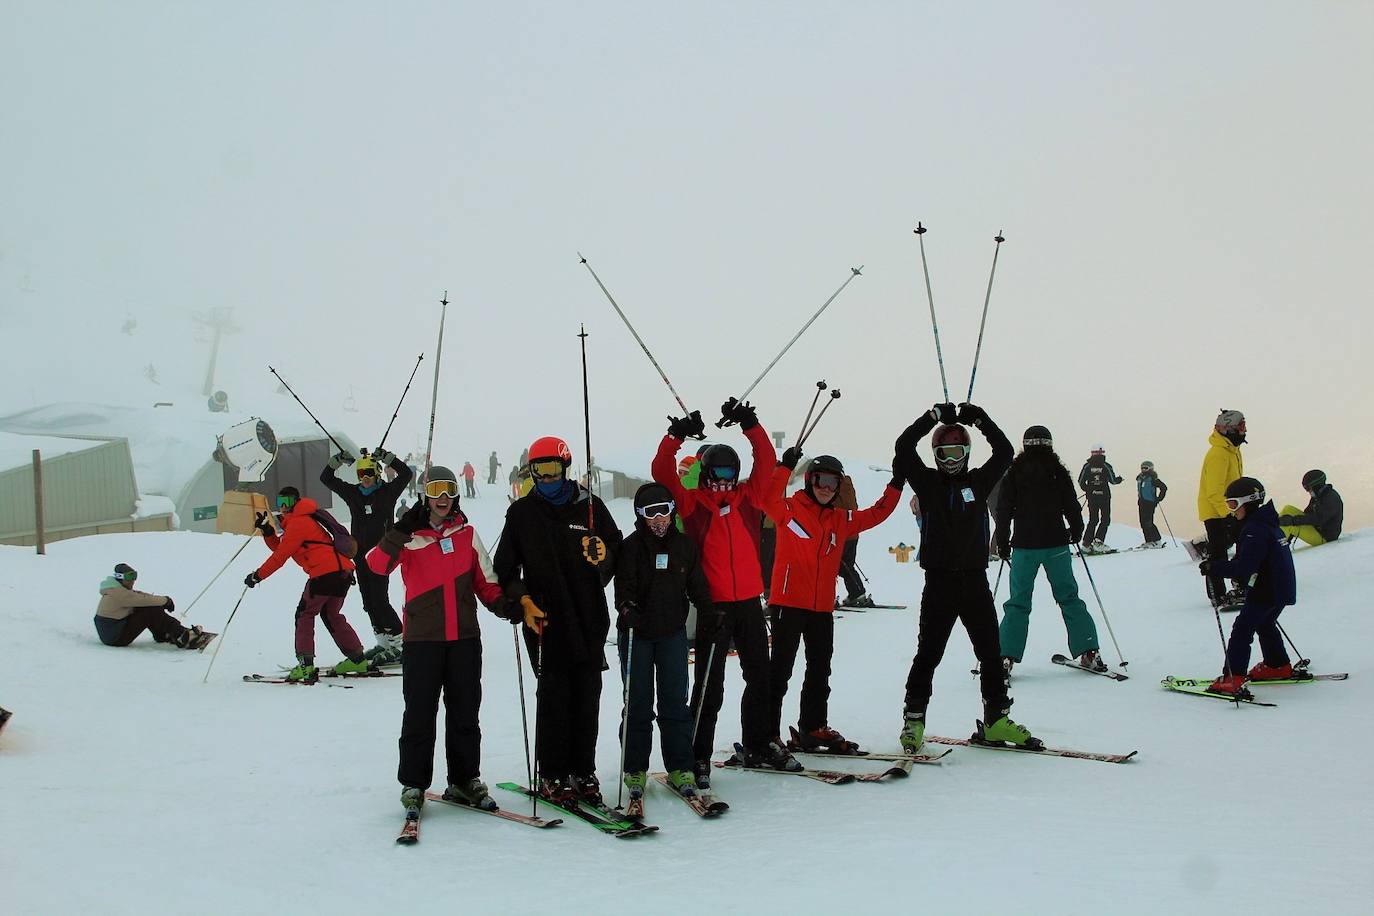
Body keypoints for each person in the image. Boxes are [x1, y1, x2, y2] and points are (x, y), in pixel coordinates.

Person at [651, 398, 800, 781]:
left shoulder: (749, 499)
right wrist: (676, 436)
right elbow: (661, 472)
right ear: (704, 473)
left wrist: (750, 423)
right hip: (714, 606)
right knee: (709, 685)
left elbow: (765, 459)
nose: (722, 479)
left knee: (760, 677)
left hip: (750, 602)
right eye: (715, 471)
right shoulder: (691, 504)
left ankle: (759, 741)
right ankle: (697, 754)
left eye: (728, 472)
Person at [892, 402, 1041, 752]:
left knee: (991, 653)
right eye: (944, 452)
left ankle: (996, 721)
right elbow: (903, 447)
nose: (951, 458)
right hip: (939, 582)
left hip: (975, 581)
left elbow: (1004, 451)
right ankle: (914, 720)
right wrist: (932, 418)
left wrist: (979, 418)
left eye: (958, 450)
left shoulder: (980, 479)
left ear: (968, 452)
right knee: (928, 654)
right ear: (936, 453)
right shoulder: (926, 483)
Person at [366, 465, 507, 816]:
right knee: (419, 713)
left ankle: (464, 779)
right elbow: (376, 565)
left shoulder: (467, 534)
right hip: (422, 640)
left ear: (456, 494)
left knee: (464, 712)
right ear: (425, 495)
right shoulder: (410, 536)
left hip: (463, 638)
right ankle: (413, 783)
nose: (442, 498)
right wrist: (399, 531)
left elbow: (485, 580)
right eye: (435, 491)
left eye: (448, 490)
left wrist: (503, 603)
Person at [493, 436, 622, 804]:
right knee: (553, 698)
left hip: (588, 618)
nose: (547, 478)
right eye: (539, 471)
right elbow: (504, 568)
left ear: (566, 468)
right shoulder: (522, 513)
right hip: (545, 621)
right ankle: (552, 774)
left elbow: (615, 551)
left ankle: (583, 770)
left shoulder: (590, 506)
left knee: (587, 698)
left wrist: (603, 556)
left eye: (552, 470)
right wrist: (522, 598)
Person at [763, 450, 901, 751]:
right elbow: (766, 499)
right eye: (822, 480)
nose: (827, 488)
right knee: (780, 670)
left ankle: (813, 727)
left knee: (819, 670)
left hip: (822, 607)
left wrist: (896, 485)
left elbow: (876, 513)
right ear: (811, 480)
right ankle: (767, 733)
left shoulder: (840, 519)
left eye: (833, 483)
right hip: (788, 603)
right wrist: (784, 467)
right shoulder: (789, 509)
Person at [613, 483, 710, 801]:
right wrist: (628, 610)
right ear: (640, 516)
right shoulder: (630, 548)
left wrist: (713, 613)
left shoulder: (684, 546)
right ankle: (635, 768)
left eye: (664, 512)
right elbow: (622, 590)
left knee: (674, 704)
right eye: (650, 514)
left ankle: (681, 766)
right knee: (638, 704)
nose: (658, 520)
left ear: (672, 512)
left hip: (672, 634)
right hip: (637, 635)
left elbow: (697, 586)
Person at [994, 426, 1103, 674]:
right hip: (1056, 545)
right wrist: (1076, 530)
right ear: (1049, 445)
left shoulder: (1015, 473)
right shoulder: (1058, 471)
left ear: (1026, 445)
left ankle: (1005, 657)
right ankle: (1089, 651)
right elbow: (1071, 505)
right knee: (1068, 597)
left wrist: (1002, 541)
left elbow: (1003, 510)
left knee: (1018, 603)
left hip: (1024, 546)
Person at [244, 486, 373, 682]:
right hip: (343, 573)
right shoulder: (303, 520)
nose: (283, 507)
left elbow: (280, 557)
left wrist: (257, 576)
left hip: (324, 574)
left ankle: (305, 665)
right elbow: (284, 547)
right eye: (280, 503)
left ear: (296, 502)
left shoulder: (299, 522)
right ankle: (357, 659)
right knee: (331, 614)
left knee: (304, 614)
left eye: (287, 502)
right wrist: (269, 532)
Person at [1198, 477, 1297, 696]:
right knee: (1264, 623)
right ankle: (1277, 665)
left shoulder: (1255, 529)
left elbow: (1244, 567)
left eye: (1233, 504)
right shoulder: (1265, 523)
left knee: (1242, 630)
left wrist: (1214, 567)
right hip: (1280, 587)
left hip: (1266, 589)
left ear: (1248, 502)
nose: (1231, 510)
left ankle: (1232, 678)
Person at [320, 448, 413, 665]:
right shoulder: (353, 494)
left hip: (382, 554)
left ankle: (401, 643)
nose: (366, 479)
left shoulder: (387, 493)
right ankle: (384, 641)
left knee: (380, 599)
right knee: (368, 601)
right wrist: (338, 461)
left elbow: (406, 474)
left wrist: (388, 458)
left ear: (378, 473)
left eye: (370, 473)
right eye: (361, 475)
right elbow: (326, 478)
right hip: (360, 555)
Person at [94, 563, 211, 649]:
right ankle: (183, 637)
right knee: (149, 611)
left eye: (134, 576)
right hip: (115, 637)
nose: (133, 581)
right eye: (129, 577)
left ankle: (163, 635)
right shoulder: (119, 594)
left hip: (113, 632)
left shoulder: (117, 590)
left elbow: (140, 596)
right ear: (120, 578)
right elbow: (141, 600)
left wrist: (163, 601)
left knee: (150, 607)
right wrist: (166, 601)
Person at [1198, 409, 1247, 608]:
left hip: (1230, 509)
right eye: (1241, 427)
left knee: (1240, 546)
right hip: (1217, 512)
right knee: (1218, 552)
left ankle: (1239, 581)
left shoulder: (1231, 450)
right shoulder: (1219, 454)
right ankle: (1217, 594)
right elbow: (1214, 491)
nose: (1244, 431)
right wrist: (1229, 515)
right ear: (1228, 429)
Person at [833, 471, 878, 608]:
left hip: (840, 533)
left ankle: (854, 593)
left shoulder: (835, 486)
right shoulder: (848, 487)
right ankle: (856, 593)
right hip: (852, 532)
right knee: (846, 565)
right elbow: (854, 507)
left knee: (836, 565)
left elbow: (832, 508)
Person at [1278, 470, 1343, 546]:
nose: (1308, 491)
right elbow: (1307, 513)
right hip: (1316, 528)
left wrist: (1292, 521)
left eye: (1308, 488)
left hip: (1324, 537)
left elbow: (1318, 519)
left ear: (1316, 486)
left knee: (1289, 526)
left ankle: (1277, 548)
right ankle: (1274, 537)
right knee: (1287, 509)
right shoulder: (1319, 495)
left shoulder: (1331, 498)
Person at [1077, 445, 1122, 552]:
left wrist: (1088, 490)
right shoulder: (1106, 466)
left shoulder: (1087, 466)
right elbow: (1112, 480)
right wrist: (1119, 479)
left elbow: (1080, 481)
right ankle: (1098, 541)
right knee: (1105, 519)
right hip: (1104, 496)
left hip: (1092, 496)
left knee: (1093, 520)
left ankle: (1086, 544)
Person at [1135, 460, 1168, 547]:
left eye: (1146, 468)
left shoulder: (1153, 478)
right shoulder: (1140, 478)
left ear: (1151, 468)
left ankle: (1157, 540)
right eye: (1142, 468)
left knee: (1148, 522)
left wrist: (1158, 499)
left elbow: (1164, 487)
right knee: (1143, 522)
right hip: (1142, 502)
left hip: (1150, 503)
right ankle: (1149, 541)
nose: (1143, 470)